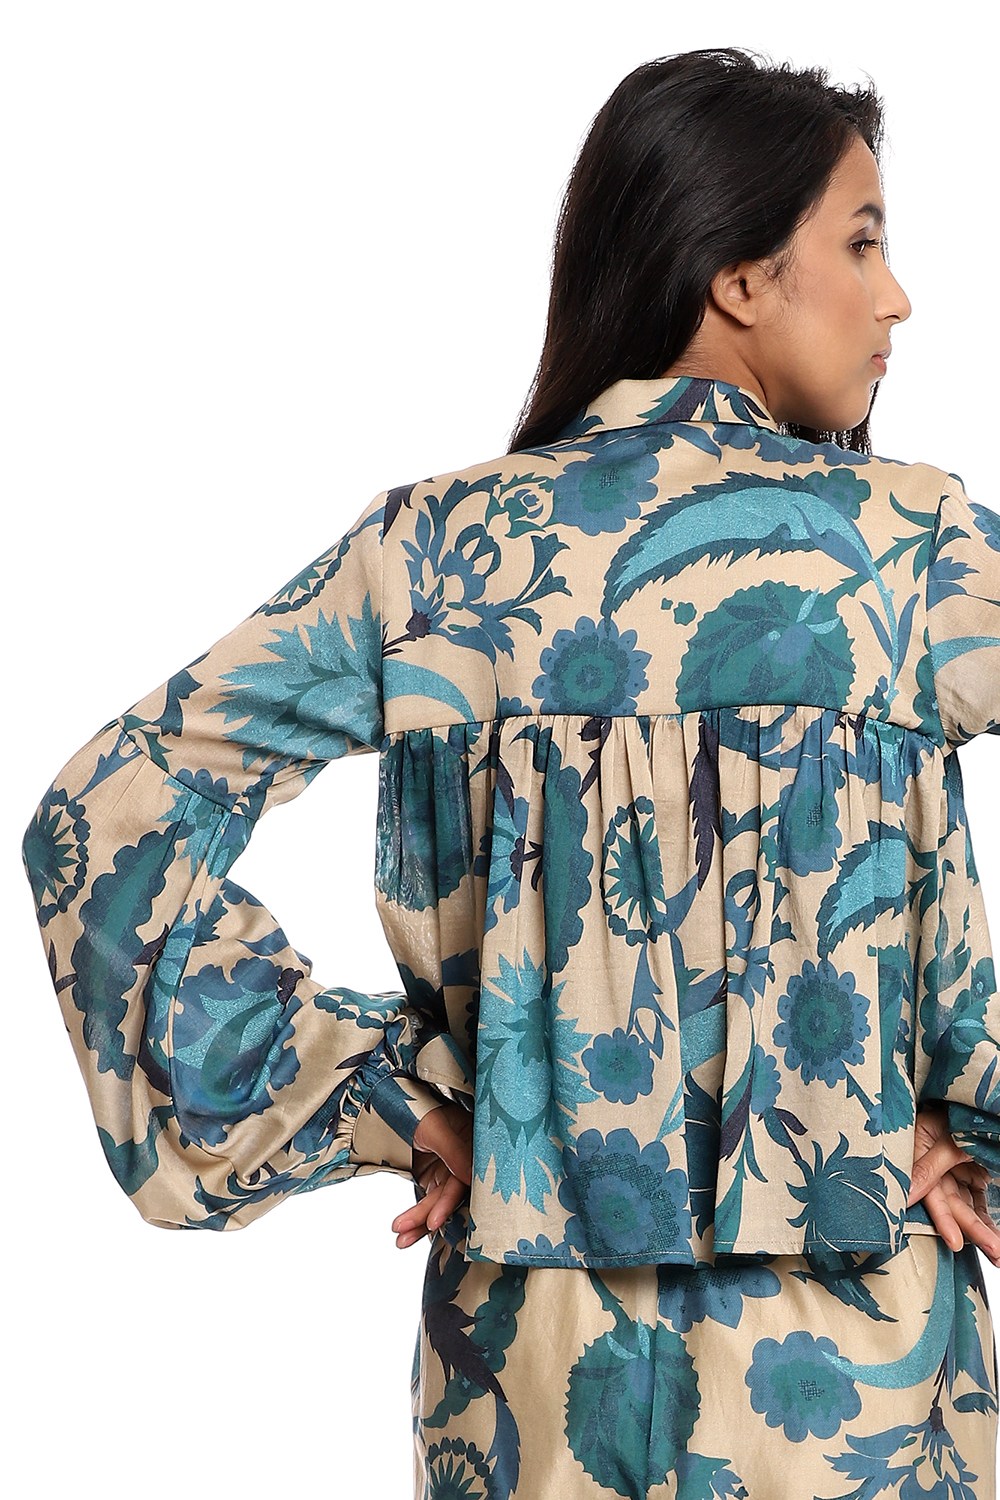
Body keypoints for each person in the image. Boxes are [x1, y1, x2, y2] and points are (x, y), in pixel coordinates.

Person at [21, 43, 1000, 1497]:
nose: (897, 296)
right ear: (740, 277)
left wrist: (377, 1095)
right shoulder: (908, 550)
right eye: (862, 242)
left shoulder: (438, 558)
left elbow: (104, 820)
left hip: (529, 1385)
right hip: (864, 1375)